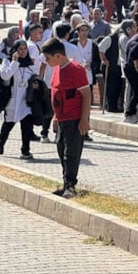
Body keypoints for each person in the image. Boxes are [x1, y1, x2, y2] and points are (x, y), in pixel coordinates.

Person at [41, 38, 91, 199]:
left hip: (74, 118)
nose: (46, 61)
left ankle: (71, 185)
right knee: (61, 150)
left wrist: (84, 119)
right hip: (62, 118)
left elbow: (87, 95)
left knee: (71, 153)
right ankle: (65, 184)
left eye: (48, 58)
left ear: (58, 56)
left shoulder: (76, 70)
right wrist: (55, 117)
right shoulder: (57, 69)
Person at [0, 40, 38, 159]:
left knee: (27, 125)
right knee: (9, 123)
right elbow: (5, 76)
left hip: (26, 100)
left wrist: (36, 84)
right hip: (12, 99)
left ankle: (25, 150)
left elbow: (35, 75)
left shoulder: (30, 62)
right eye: (20, 49)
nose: (23, 51)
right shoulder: (7, 61)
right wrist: (15, 62)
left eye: (25, 49)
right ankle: (0, 139)